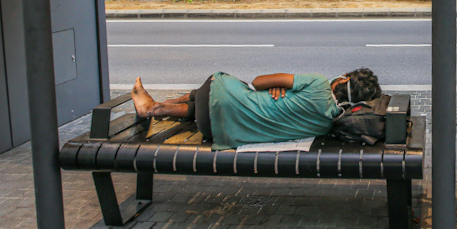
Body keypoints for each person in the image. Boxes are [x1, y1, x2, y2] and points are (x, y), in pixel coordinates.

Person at [130, 68, 380, 151]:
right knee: (221, 104)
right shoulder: (327, 125)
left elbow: (259, 82)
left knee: (227, 85)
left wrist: (275, 86)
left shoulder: (318, 83)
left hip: (215, 96)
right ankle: (156, 107)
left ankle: (155, 107)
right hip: (216, 132)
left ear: (344, 79)